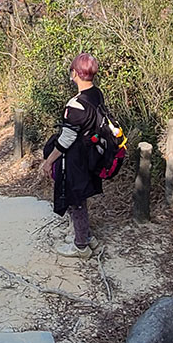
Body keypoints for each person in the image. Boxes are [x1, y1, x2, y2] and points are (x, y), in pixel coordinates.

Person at [38, 52, 104, 259]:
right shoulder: (97, 94)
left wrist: (49, 162)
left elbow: (66, 139)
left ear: (75, 73)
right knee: (80, 197)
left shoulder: (75, 105)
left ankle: (80, 245)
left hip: (75, 159)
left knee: (75, 199)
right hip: (90, 155)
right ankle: (86, 236)